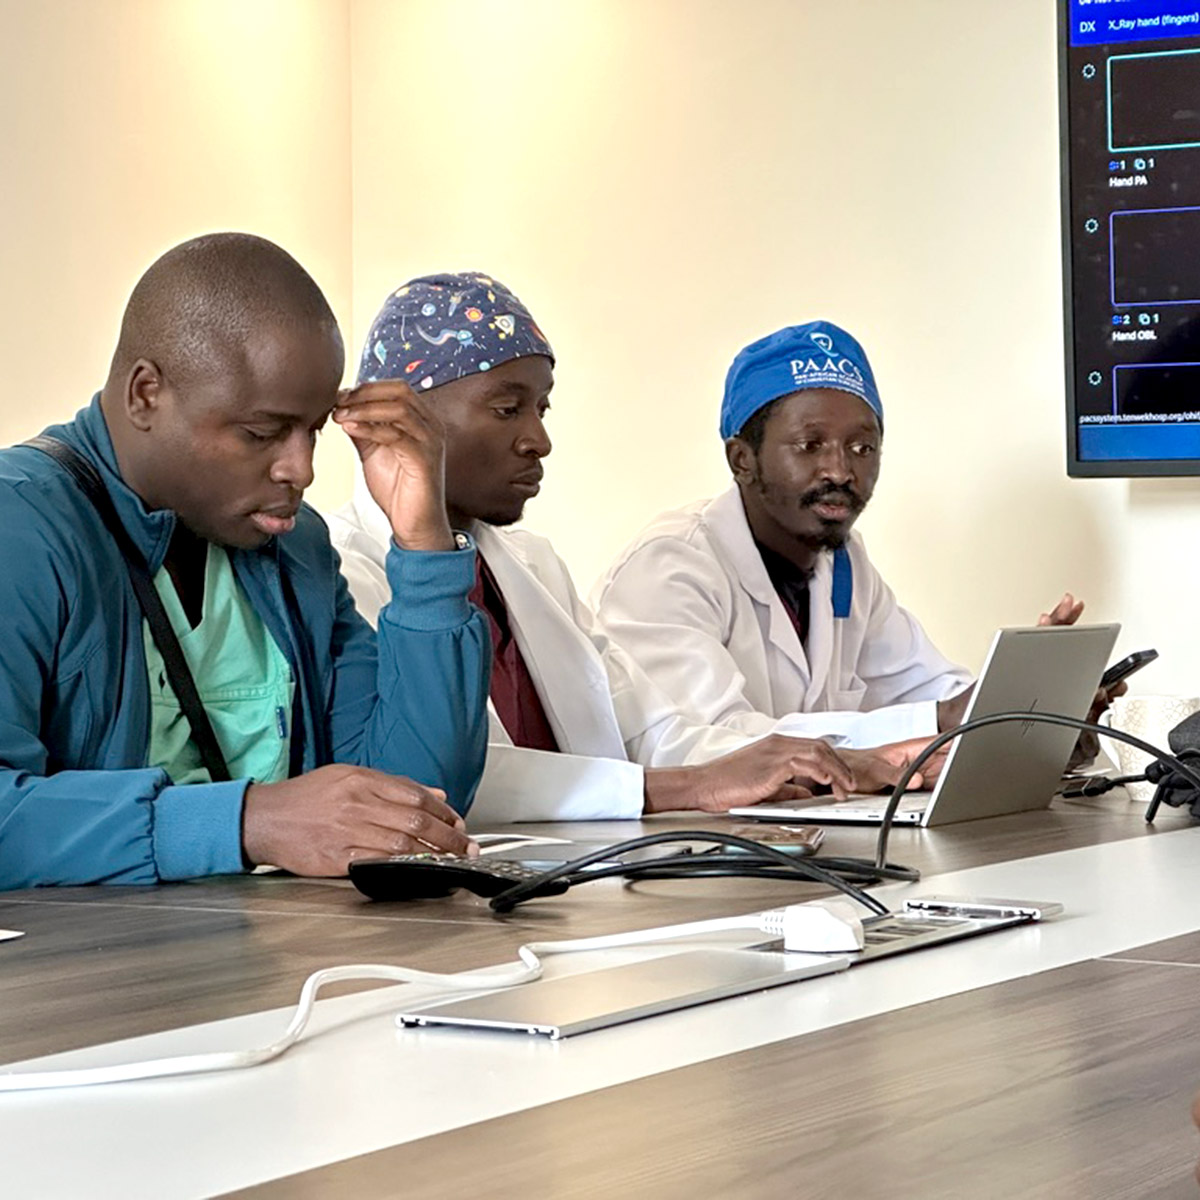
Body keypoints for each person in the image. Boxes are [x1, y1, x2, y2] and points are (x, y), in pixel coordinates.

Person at [329, 277, 931, 821]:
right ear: (399, 417)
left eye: (542, 409)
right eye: (509, 410)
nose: (539, 440)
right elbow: (441, 778)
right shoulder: (343, 570)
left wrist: (819, 761)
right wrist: (687, 786)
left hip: (584, 869)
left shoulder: (532, 565)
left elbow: (652, 730)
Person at [0, 234, 489, 889]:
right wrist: (247, 821)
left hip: (271, 949)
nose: (301, 469)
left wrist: (425, 550)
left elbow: (410, 812)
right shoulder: (19, 526)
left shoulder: (296, 547)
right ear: (145, 394)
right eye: (261, 433)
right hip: (86, 958)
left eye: (314, 431)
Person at [593, 320, 1088, 750]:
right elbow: (709, 745)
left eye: (862, 448)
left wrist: (1032, 712)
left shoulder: (843, 564)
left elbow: (934, 694)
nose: (840, 470)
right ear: (742, 460)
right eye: (810, 445)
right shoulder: (670, 566)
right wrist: (942, 720)